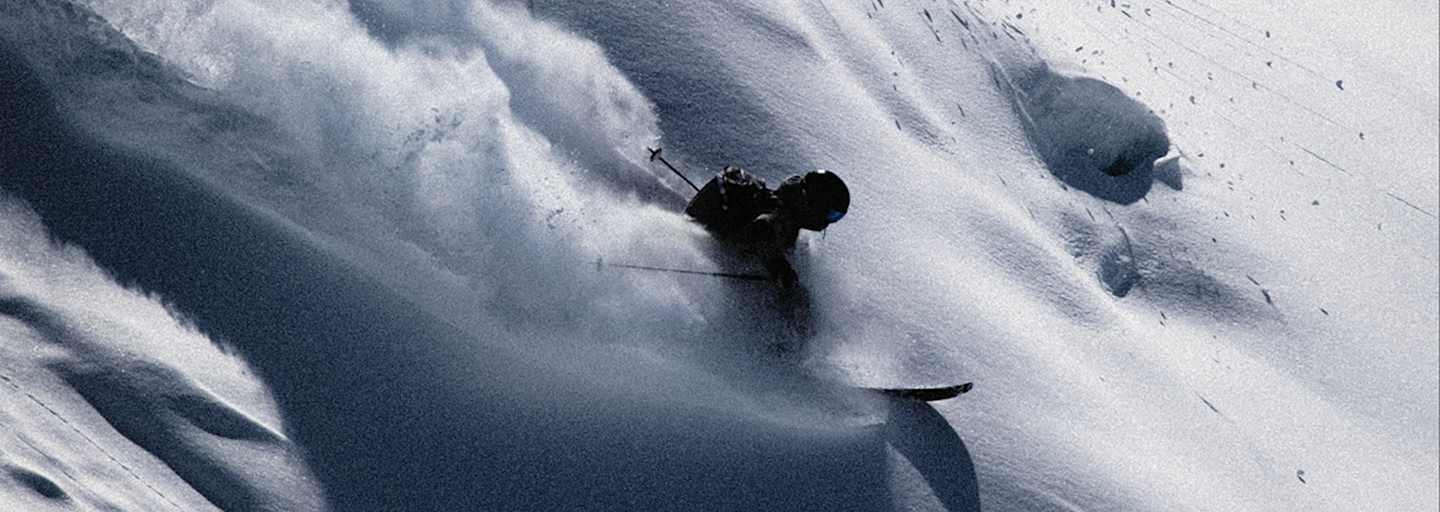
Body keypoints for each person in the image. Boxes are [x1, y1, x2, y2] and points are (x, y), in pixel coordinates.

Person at [684, 166, 850, 288]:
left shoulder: (783, 209)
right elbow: (763, 231)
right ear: (812, 205)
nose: (831, 221)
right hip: (717, 251)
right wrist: (779, 268)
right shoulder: (779, 216)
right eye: (832, 214)